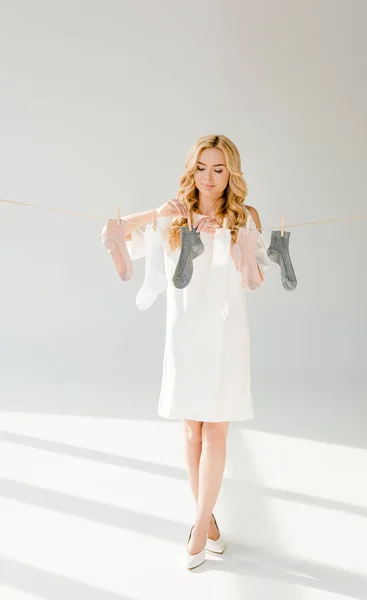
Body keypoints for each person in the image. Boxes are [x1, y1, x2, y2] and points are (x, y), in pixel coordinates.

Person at [118, 134, 269, 569]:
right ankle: (210, 524)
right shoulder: (175, 215)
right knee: (191, 431)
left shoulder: (245, 216)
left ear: (231, 174)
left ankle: (199, 527)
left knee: (216, 431)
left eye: (219, 169)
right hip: (184, 334)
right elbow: (118, 232)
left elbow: (255, 281)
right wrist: (156, 213)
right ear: (191, 169)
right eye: (202, 167)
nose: (209, 177)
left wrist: (239, 246)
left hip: (226, 334)